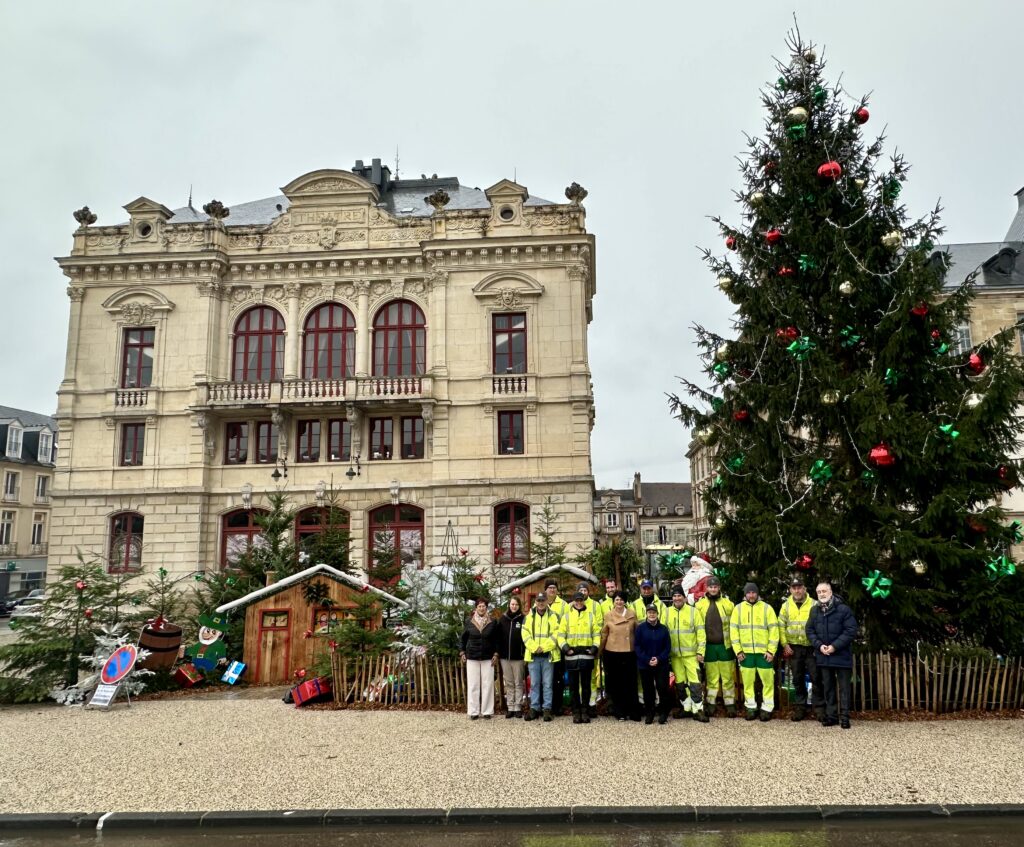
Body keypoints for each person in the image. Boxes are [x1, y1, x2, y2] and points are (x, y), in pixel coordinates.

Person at [806, 580, 858, 729]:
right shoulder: (814, 611)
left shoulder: (843, 609)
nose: (821, 594)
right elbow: (809, 631)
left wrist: (834, 646)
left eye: (824, 591)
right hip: (823, 656)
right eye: (819, 592)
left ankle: (845, 717)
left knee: (844, 688)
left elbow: (850, 631)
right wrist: (819, 645)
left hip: (841, 656)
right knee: (828, 688)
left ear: (830, 592)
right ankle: (832, 716)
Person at [729, 582, 779, 721]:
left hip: (764, 654)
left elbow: (774, 631)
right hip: (746, 654)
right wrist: (738, 651)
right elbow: (734, 632)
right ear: (745, 594)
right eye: (749, 593)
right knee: (748, 683)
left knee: (768, 683)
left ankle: (767, 708)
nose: (751, 595)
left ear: (757, 593)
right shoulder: (738, 609)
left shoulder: (767, 608)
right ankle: (750, 707)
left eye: (754, 592)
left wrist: (771, 651)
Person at [778, 576, 824, 722]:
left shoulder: (814, 604)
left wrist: (819, 644)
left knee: (816, 677)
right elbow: (781, 626)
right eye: (794, 587)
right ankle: (800, 707)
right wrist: (785, 645)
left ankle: (819, 708)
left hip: (812, 647)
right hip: (794, 648)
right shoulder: (785, 606)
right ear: (790, 589)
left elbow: (821, 625)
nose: (797, 590)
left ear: (804, 588)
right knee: (797, 679)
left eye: (799, 587)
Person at [665, 586, 708, 722]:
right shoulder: (666, 612)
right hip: (675, 656)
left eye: (679, 596)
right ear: (672, 598)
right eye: (674, 596)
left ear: (684, 597)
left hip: (691, 655)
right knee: (680, 683)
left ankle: (698, 709)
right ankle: (686, 708)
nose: (677, 598)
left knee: (695, 683)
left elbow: (701, 633)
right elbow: (663, 634)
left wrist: (701, 651)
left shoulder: (693, 612)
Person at [696, 576, 736, 717]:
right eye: (710, 587)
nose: (713, 589)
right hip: (709, 647)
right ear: (707, 588)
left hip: (725, 646)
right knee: (711, 678)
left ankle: (730, 705)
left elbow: (734, 625)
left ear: (719, 588)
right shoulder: (699, 605)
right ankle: (711, 704)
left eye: (715, 587)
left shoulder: (728, 604)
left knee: (727, 678)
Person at [559, 591, 601, 723]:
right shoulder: (566, 617)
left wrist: (594, 647)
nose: (578, 602)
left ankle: (585, 710)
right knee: (573, 686)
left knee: (586, 685)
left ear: (583, 600)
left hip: (586, 656)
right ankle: (576, 711)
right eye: (576, 600)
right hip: (571, 656)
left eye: (580, 600)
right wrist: (565, 648)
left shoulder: (590, 616)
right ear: (573, 602)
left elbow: (596, 634)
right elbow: (560, 635)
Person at [522, 592, 563, 722]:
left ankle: (547, 709)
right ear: (535, 602)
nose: (540, 603)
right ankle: (534, 708)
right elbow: (525, 634)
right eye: (538, 600)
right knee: (534, 684)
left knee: (548, 684)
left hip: (548, 655)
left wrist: (544, 647)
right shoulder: (529, 617)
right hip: (533, 656)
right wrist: (535, 647)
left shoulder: (553, 616)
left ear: (546, 601)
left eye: (542, 600)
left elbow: (556, 634)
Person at [599, 590, 639, 721]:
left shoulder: (632, 614)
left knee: (631, 682)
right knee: (616, 683)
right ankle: (619, 711)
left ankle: (632, 710)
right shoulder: (608, 615)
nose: (619, 602)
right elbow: (604, 633)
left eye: (621, 599)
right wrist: (600, 650)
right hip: (612, 652)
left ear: (625, 601)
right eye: (617, 599)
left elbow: (637, 632)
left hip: (629, 652)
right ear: (613, 602)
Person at [460, 598, 498, 720]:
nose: (482, 608)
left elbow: (496, 640)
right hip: (472, 656)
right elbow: (463, 638)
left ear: (487, 608)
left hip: (488, 657)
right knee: (473, 685)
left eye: (484, 606)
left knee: (488, 684)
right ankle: (473, 711)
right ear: (476, 608)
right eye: (479, 606)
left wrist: (496, 654)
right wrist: (462, 652)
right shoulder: (469, 621)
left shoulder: (492, 622)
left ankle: (487, 711)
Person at [634, 603, 672, 724]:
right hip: (645, 664)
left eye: (653, 612)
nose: (652, 614)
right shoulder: (640, 628)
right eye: (649, 612)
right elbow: (637, 646)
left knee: (662, 688)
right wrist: (647, 659)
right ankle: (650, 713)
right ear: (647, 614)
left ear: (657, 614)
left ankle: (663, 713)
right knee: (648, 690)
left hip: (661, 664)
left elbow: (667, 647)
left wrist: (658, 659)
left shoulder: (663, 629)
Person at [496, 594, 526, 718]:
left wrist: (524, 654)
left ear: (519, 606)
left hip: (518, 657)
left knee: (518, 682)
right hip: (505, 657)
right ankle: (510, 706)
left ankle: (518, 706)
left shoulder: (523, 619)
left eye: (516, 604)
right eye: (512, 604)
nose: (514, 606)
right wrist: (498, 652)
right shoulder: (503, 619)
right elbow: (497, 637)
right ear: (509, 605)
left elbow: (526, 638)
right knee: (509, 682)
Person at [544, 579, 569, 715]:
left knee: (558, 678)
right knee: (546, 678)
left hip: (558, 646)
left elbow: (566, 624)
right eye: (550, 588)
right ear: (545, 590)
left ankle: (557, 706)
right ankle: (546, 705)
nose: (552, 590)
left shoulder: (563, 605)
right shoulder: (541, 603)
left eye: (554, 588)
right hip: (544, 647)